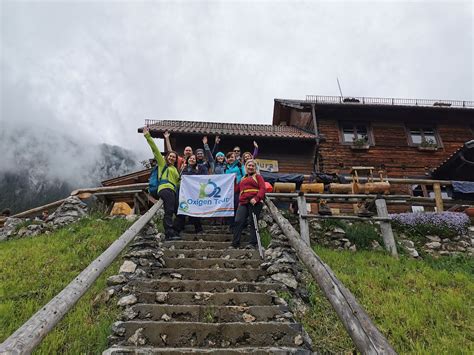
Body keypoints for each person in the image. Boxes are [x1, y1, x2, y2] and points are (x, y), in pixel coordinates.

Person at [143, 126, 181, 240]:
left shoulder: (175, 170)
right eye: (170, 156)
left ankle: (174, 230)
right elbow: (154, 149)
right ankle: (169, 233)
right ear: (166, 157)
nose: (172, 158)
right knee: (169, 210)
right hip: (164, 189)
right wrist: (147, 136)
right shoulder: (162, 164)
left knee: (178, 211)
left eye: (174, 157)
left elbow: (178, 183)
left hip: (173, 191)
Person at [231, 160, 266, 249]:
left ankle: (252, 243)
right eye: (248, 165)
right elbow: (236, 190)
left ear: (255, 167)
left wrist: (256, 198)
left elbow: (262, 189)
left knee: (253, 222)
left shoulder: (258, 177)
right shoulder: (243, 178)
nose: (250, 167)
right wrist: (234, 180)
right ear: (246, 167)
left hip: (254, 202)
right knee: (238, 221)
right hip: (243, 202)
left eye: (252, 166)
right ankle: (235, 243)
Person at [173, 155, 205, 235]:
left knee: (194, 210)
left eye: (194, 159)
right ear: (187, 160)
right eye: (191, 158)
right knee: (182, 210)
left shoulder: (198, 169)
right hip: (184, 193)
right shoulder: (183, 169)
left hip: (194, 194)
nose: (192, 160)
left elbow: (202, 179)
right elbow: (180, 178)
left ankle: (199, 229)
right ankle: (177, 230)